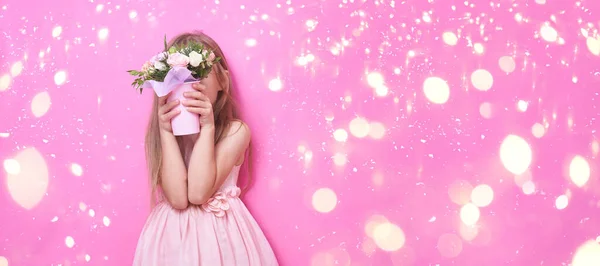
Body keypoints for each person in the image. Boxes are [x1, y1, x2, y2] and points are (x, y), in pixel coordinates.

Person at [132, 31, 278, 266]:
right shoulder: (162, 135)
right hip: (173, 240)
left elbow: (199, 194)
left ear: (222, 81)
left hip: (221, 238)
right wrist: (167, 132)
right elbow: (179, 199)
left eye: (198, 72)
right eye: (178, 77)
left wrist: (207, 127)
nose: (190, 82)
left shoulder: (235, 131)